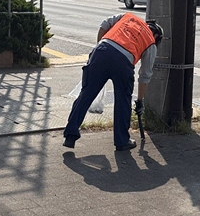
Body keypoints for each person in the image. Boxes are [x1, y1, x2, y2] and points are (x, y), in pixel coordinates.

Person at [63, 14, 163, 151]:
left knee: (86, 94)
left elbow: (104, 24)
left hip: (102, 50)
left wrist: (99, 47)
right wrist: (140, 101)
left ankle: (70, 135)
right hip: (123, 63)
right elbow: (145, 76)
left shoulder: (128, 17)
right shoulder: (151, 42)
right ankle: (122, 141)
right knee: (123, 100)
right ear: (157, 36)